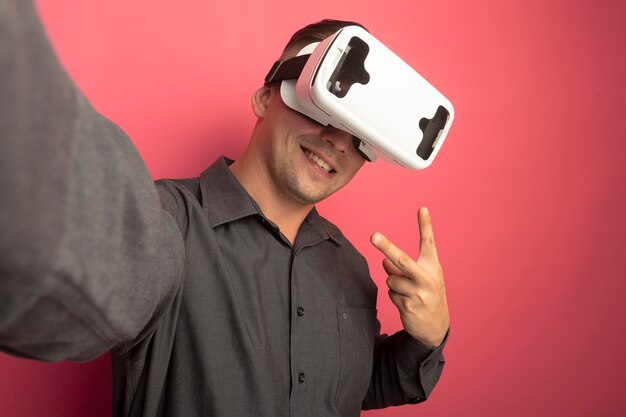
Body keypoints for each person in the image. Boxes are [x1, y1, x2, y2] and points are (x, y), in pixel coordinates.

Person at [0, 1, 450, 416]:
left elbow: (352, 388)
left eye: (361, 138)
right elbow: (75, 261)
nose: (338, 143)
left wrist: (424, 339)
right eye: (323, 110)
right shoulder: (170, 226)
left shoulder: (351, 268)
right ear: (265, 97)